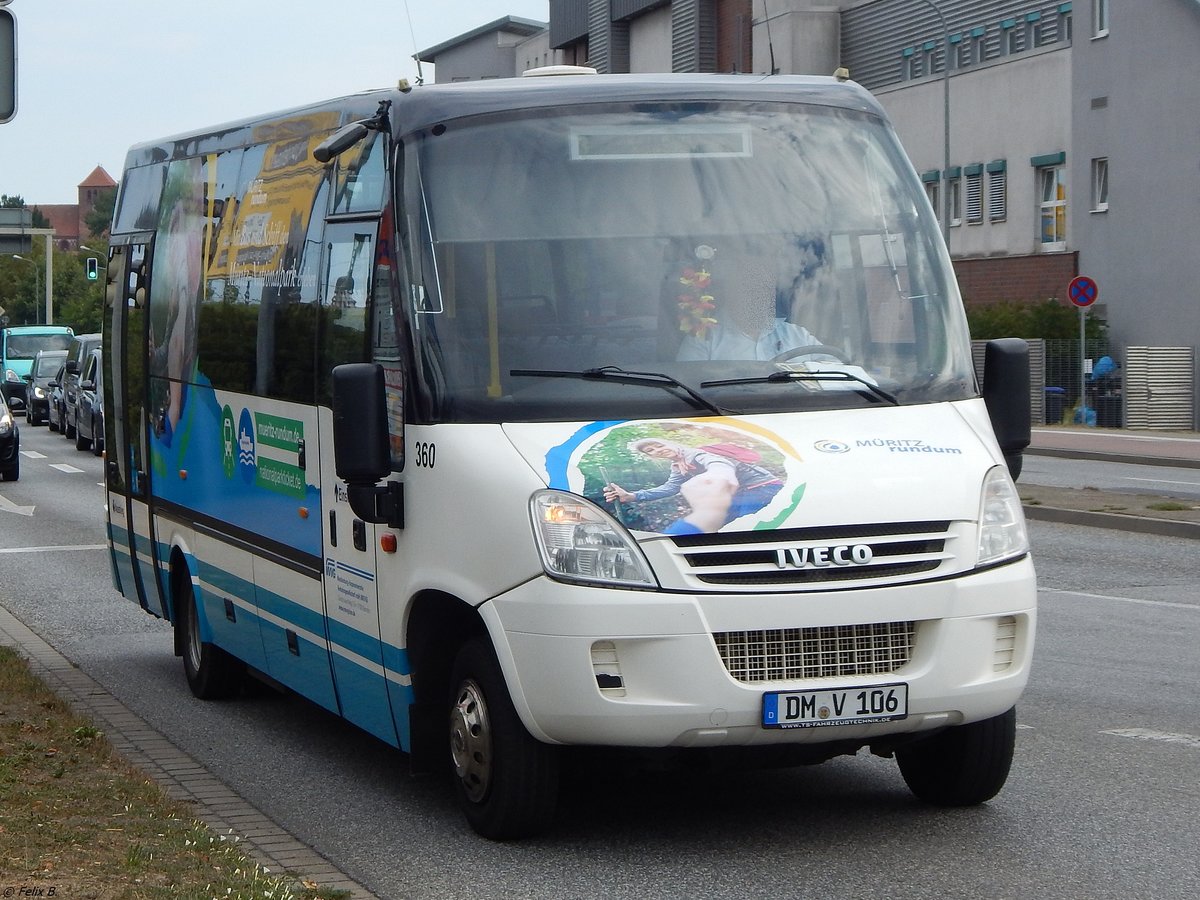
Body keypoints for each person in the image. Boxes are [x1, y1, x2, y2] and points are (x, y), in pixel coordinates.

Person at [676, 248, 834, 362]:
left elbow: (837, 372)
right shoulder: (703, 340)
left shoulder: (797, 336)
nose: (758, 296)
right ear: (731, 293)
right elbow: (687, 389)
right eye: (750, 288)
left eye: (764, 288)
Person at [603, 438, 784, 534]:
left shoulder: (694, 454)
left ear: (668, 443)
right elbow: (670, 488)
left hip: (762, 487)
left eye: (658, 445)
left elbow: (717, 462)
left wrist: (720, 474)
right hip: (739, 494)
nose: (658, 450)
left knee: (745, 529)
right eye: (651, 450)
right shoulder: (678, 465)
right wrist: (632, 496)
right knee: (716, 527)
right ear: (652, 457)